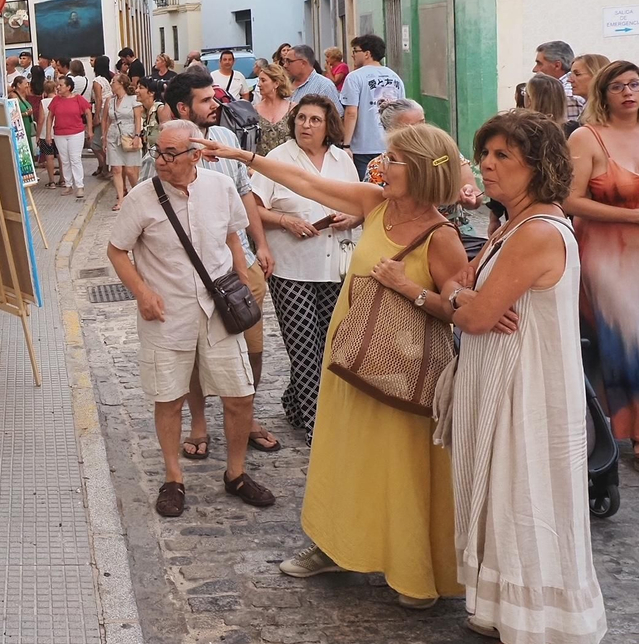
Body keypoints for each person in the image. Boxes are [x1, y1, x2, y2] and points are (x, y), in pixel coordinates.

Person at [204, 123, 470, 609]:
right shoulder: (376, 204)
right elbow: (307, 184)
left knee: (401, 467)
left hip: (403, 370)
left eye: (392, 161)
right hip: (350, 357)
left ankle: (412, 567)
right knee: (343, 454)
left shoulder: (442, 236)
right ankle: (334, 547)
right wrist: (243, 158)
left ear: (420, 172)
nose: (380, 165)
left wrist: (407, 288)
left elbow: (459, 310)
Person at [433, 110, 605, 644]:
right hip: (502, 383)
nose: (486, 165)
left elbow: (474, 308)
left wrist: (467, 304)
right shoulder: (511, 223)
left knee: (522, 500)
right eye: (485, 154)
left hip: (525, 392)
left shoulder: (535, 231)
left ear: (539, 165)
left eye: (503, 156)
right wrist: (467, 301)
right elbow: (459, 285)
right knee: (502, 497)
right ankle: (510, 617)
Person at [108, 121, 278, 518]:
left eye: (170, 154)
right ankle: (173, 477)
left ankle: (236, 473)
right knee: (169, 398)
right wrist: (142, 293)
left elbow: (234, 233)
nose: (161, 161)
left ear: (196, 155)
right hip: (168, 315)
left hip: (218, 310)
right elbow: (117, 251)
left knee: (240, 395)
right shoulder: (141, 198)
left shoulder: (220, 188)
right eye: (158, 152)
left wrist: (241, 270)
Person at [164, 70, 280, 455]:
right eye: (205, 100)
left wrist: (260, 244)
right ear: (183, 108)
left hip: (240, 264)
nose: (215, 105)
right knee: (199, 351)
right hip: (193, 272)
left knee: (253, 345)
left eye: (214, 98)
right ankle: (199, 425)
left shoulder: (228, 139)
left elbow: (245, 194)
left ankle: (246, 417)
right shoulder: (167, 150)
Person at [250, 95, 362, 441]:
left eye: (314, 120)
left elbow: (361, 203)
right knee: (302, 346)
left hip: (335, 265)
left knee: (330, 343)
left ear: (328, 125)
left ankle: (295, 403)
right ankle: (318, 423)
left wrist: (352, 216)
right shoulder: (278, 158)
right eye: (301, 119)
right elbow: (253, 207)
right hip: (292, 267)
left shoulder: (341, 159)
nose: (306, 125)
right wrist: (285, 221)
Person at [566, 59, 639, 465]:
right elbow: (569, 199)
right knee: (628, 336)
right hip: (604, 253)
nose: (629, 93)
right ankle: (635, 432)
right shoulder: (587, 137)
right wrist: (632, 216)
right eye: (619, 87)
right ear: (604, 94)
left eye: (635, 84)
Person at [363, 99, 483, 232]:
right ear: (392, 131)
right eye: (411, 127)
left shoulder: (445, 154)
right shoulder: (378, 167)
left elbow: (475, 196)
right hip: (403, 235)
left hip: (453, 231)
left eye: (422, 122)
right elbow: (373, 208)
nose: (422, 131)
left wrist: (469, 197)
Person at [339, 33, 406, 178]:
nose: (353, 56)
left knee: (365, 188)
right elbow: (402, 112)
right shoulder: (395, 77)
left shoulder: (355, 77)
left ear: (367, 53)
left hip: (363, 147)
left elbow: (351, 112)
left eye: (355, 51)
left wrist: (346, 145)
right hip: (390, 144)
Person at [49, 73, 91, 198]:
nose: (58, 87)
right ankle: (68, 184)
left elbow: (88, 113)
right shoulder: (56, 100)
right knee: (64, 160)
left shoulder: (78, 98)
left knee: (75, 158)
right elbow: (50, 117)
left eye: (61, 85)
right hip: (59, 133)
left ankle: (79, 185)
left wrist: (89, 128)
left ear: (68, 87)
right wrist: (48, 134)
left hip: (76, 132)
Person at [105, 72, 144, 203]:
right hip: (114, 135)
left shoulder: (133, 99)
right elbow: (108, 120)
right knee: (116, 168)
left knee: (130, 170)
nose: (111, 84)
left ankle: (137, 195)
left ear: (121, 84)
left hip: (129, 134)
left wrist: (137, 136)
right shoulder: (111, 100)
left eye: (113, 82)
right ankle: (121, 199)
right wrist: (104, 137)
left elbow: (138, 119)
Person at [533, 40, 584, 126]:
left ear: (557, 65)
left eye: (539, 63)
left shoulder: (566, 94)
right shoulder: (571, 91)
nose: (534, 69)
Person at [251, 60, 295, 155]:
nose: (259, 84)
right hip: (262, 166)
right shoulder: (254, 111)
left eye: (263, 80)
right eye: (259, 80)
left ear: (276, 83)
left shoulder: (293, 109)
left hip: (288, 165)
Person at [283, 44, 341, 109]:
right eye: (284, 61)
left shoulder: (324, 86)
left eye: (289, 61)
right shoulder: (283, 84)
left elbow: (337, 115)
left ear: (303, 63)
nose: (285, 65)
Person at [89, 56, 115, 180]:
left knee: (95, 143)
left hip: (102, 112)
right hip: (110, 110)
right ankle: (104, 166)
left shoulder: (97, 81)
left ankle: (105, 167)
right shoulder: (109, 79)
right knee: (104, 140)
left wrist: (97, 116)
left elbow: (98, 99)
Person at [37, 77, 61, 186]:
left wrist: (38, 135)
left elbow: (41, 120)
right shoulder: (60, 100)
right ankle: (63, 179)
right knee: (61, 155)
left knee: (49, 156)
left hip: (46, 133)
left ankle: (51, 181)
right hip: (59, 131)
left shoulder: (43, 102)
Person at [136, 80, 161, 182]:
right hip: (150, 159)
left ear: (151, 93)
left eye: (141, 88)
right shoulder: (144, 111)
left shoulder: (160, 109)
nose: (136, 90)